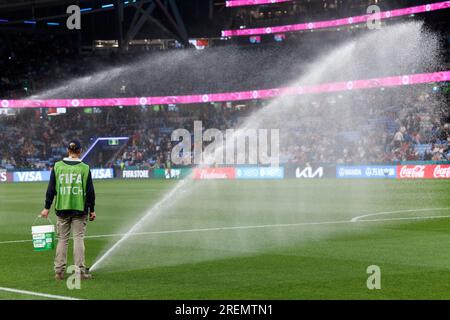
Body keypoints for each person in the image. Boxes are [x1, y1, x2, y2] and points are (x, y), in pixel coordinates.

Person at [41, 140, 96, 280]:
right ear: (79, 151)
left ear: (68, 151)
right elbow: (90, 192)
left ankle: (59, 271)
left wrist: (46, 208)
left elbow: (51, 189)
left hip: (62, 208)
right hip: (79, 209)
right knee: (78, 239)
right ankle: (80, 271)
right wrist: (92, 210)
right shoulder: (84, 168)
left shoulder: (58, 166)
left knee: (62, 240)